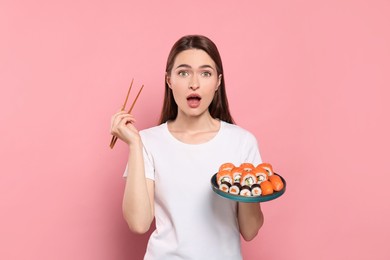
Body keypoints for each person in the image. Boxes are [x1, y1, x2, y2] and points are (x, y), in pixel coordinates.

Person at [110, 35, 264, 260]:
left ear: (218, 81)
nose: (194, 83)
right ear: (169, 80)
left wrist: (249, 186)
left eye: (205, 73)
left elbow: (250, 231)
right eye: (183, 72)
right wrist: (134, 145)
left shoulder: (242, 142)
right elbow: (138, 223)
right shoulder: (147, 141)